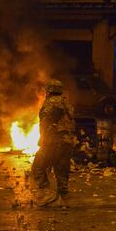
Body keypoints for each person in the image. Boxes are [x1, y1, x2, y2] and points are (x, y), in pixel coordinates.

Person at [31, 79, 76, 207]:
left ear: (49, 90)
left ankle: (47, 195)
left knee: (38, 167)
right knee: (61, 168)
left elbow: (45, 122)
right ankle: (63, 195)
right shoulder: (67, 103)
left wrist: (43, 138)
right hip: (67, 141)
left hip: (53, 141)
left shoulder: (50, 103)